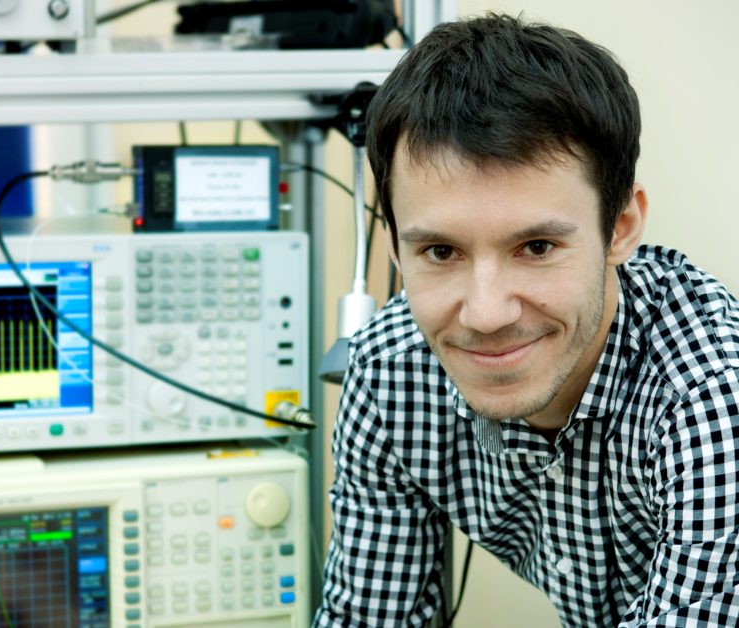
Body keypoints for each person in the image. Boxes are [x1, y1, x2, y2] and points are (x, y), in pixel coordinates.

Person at [312, 12, 739, 628]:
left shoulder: (710, 396)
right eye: (441, 252)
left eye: (536, 247)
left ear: (621, 228)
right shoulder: (389, 372)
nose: (486, 314)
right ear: (395, 248)